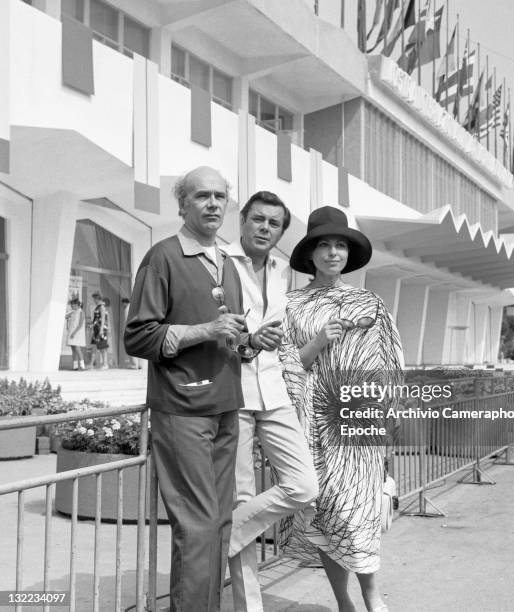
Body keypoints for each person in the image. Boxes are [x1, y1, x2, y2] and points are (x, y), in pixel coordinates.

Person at [124, 166, 248, 612]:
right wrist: (204, 330)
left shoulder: (228, 264)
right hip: (183, 408)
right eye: (202, 196)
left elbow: (225, 333)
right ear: (182, 205)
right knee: (196, 525)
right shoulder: (162, 257)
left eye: (220, 196)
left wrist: (246, 341)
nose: (213, 204)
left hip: (226, 404)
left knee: (219, 523)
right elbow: (137, 337)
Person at [278, 206, 403, 612]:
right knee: (327, 512)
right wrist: (316, 342)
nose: (333, 252)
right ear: (310, 254)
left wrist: (388, 418)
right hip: (311, 422)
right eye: (324, 245)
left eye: (340, 245)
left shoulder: (371, 304)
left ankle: (372, 595)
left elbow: (389, 363)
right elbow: (284, 367)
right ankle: (343, 601)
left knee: (359, 509)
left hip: (358, 419)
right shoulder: (290, 306)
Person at [223, 191, 318, 612]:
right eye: (257, 219)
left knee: (303, 485)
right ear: (242, 221)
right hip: (233, 390)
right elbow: (216, 327)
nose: (264, 228)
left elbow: (280, 337)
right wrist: (247, 341)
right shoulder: (220, 262)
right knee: (242, 499)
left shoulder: (279, 270)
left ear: (281, 230)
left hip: (274, 391)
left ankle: (223, 534)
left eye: (273, 223)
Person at [65, 297, 86, 370]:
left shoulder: (81, 312)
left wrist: (74, 333)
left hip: (77, 332)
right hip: (71, 331)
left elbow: (80, 324)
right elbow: (65, 316)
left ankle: (82, 365)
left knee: (77, 348)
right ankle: (75, 366)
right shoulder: (72, 312)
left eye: (73, 305)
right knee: (73, 349)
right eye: (71, 305)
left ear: (77, 304)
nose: (71, 306)